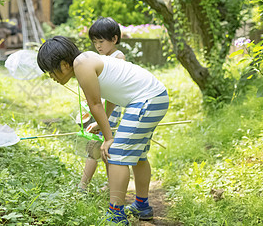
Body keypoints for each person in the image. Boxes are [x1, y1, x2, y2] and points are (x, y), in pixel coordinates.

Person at [37, 35, 169, 224]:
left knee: (116, 154)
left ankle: (116, 215)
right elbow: (114, 93)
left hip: (146, 100)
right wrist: (104, 121)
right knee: (138, 156)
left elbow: (95, 103)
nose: (51, 77)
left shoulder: (82, 65)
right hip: (155, 97)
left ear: (64, 64)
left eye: (50, 71)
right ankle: (142, 205)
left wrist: (108, 139)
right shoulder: (86, 60)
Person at [78, 17, 126, 192]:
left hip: (110, 109)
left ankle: (109, 185)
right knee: (94, 145)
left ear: (114, 39)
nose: (98, 46)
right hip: (99, 106)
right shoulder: (100, 57)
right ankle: (86, 184)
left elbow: (112, 85)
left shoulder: (117, 56)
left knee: (106, 147)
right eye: (94, 42)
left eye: (101, 41)